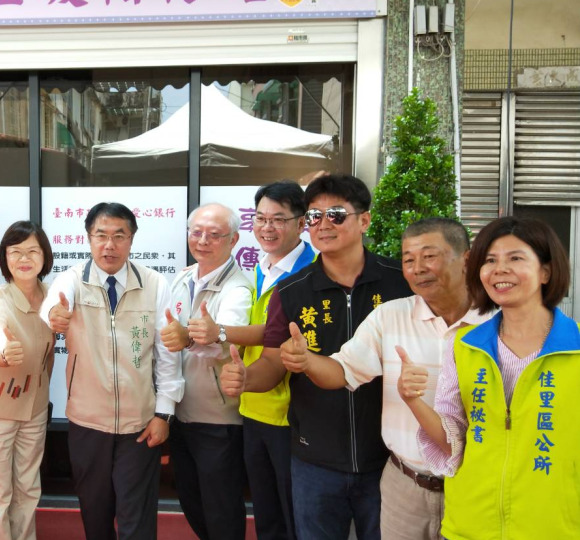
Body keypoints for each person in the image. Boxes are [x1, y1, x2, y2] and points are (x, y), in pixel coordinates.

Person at [220, 174, 412, 540]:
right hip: (315, 459)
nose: (323, 224)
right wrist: (246, 378)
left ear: (364, 220)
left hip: (389, 457)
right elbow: (272, 364)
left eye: (336, 214)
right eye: (314, 216)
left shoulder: (399, 282)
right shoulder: (291, 291)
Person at [276, 218, 492, 539]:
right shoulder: (390, 316)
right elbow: (342, 371)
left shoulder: (497, 321)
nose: (418, 268)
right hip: (405, 485)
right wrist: (307, 361)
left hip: (477, 486)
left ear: (467, 259)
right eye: (408, 259)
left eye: (429, 256)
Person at [402, 216, 577, 538]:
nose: (499, 270)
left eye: (515, 258)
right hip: (470, 525)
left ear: (546, 271)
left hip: (555, 527)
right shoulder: (464, 345)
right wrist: (413, 401)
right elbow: (453, 438)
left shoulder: (575, 348)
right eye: (490, 260)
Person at [41, 202, 183, 540]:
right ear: (88, 238)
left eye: (119, 236)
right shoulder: (72, 279)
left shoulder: (154, 284)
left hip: (140, 424)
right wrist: (54, 316)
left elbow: (167, 354)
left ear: (131, 239)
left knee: (137, 519)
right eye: (101, 235)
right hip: (88, 422)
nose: (109, 245)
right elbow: (53, 305)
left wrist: (164, 413)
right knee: (95, 515)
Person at [197, 181, 314, 540]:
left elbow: (278, 331)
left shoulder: (312, 272)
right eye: (260, 218)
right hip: (253, 407)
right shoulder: (262, 267)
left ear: (301, 223)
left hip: (292, 416)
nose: (267, 227)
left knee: (297, 518)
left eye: (278, 219)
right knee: (267, 516)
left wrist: (219, 332)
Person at [159, 203, 252, 539]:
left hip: (217, 420)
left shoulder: (237, 289)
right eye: (196, 232)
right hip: (181, 413)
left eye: (214, 234)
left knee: (221, 508)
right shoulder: (183, 278)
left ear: (234, 240)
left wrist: (188, 338)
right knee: (192, 501)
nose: (202, 241)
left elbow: (226, 342)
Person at [0, 221, 55, 540]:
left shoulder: (51, 296)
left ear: (45, 255)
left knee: (28, 489)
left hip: (34, 406)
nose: (24, 259)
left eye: (32, 251)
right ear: (4, 258)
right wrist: (0, 346)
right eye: (15, 252)